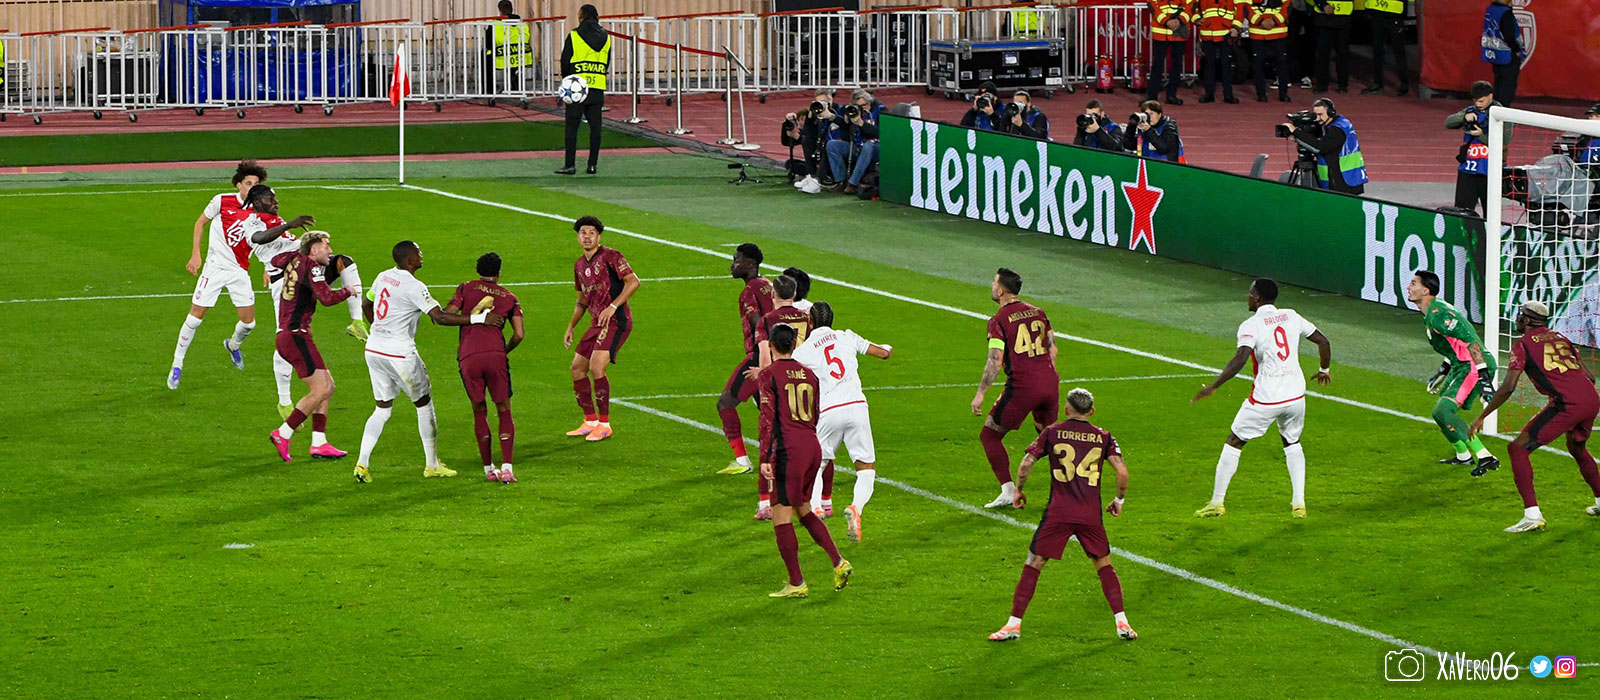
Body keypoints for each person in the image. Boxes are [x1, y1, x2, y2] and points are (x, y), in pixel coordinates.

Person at [987, 388, 1136, 643]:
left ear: (1067, 410)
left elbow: (1025, 464)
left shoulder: (1053, 432)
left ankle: (1013, 625)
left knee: (1034, 562)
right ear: (1092, 411)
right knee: (1103, 564)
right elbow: (1122, 472)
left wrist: (1018, 490)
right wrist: (1119, 500)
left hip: (1059, 512)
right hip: (1089, 513)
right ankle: (1122, 621)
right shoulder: (1103, 436)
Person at [354, 241, 503, 484]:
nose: (421, 255)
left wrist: (380, 329)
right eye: (418, 252)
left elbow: (366, 304)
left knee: (382, 408)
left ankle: (362, 463)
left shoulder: (383, 276)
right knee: (423, 404)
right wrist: (480, 320)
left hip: (374, 349)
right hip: (399, 353)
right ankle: (432, 465)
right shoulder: (414, 286)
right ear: (410, 260)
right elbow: (439, 318)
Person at [1191, 278, 1333, 518]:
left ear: (1257, 298)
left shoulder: (1251, 325)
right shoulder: (1291, 316)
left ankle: (1216, 503)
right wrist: (1324, 370)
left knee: (1234, 441)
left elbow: (1241, 358)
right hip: (1295, 396)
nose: (1248, 297)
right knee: (1292, 442)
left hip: (1267, 398)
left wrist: (1214, 386)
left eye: (1250, 294)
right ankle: (1299, 504)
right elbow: (1323, 341)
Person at [1470, 302, 1600, 532]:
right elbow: (1589, 376)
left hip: (1567, 403)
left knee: (1517, 449)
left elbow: (1509, 387)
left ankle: (1532, 515)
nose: (1517, 319)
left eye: (1520, 316)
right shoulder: (1561, 337)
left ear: (1527, 320)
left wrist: (1482, 416)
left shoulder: (1523, 345)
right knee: (1577, 447)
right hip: (1591, 398)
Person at [792, 302, 893, 543]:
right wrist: (888, 348)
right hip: (857, 407)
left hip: (828, 411)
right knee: (866, 468)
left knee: (817, 465)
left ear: (810, 322)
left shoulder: (802, 352)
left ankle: (817, 508)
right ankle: (856, 508)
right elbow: (883, 353)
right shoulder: (847, 336)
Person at [169, 161, 272, 390]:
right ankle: (177, 365)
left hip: (239, 270)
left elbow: (267, 237)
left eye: (256, 184)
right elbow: (200, 223)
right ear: (238, 185)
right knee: (195, 318)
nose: (252, 187)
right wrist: (196, 254)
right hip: (214, 268)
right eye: (248, 183)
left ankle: (233, 345)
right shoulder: (222, 201)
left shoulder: (261, 207)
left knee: (249, 324)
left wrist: (268, 265)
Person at [972, 268, 1060, 509]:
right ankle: (1068, 492)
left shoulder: (998, 321)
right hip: (1050, 382)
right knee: (1051, 439)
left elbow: (995, 360)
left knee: (989, 435)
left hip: (1023, 387)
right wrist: (1045, 376)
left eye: (994, 282)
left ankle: (1009, 491)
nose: (992, 286)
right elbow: (1053, 350)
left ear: (1001, 290)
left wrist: (980, 394)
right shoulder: (1039, 312)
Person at [267, 231, 354, 462]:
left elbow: (276, 260)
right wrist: (348, 291)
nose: (330, 251)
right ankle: (283, 433)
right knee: (320, 389)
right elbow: (326, 298)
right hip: (295, 336)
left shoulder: (296, 259)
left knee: (328, 386)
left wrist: (297, 253)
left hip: (291, 335)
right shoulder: (312, 267)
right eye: (326, 246)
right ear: (314, 250)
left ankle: (319, 443)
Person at [1408, 270, 1501, 476]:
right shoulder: (1433, 313)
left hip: (1473, 366)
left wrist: (1485, 379)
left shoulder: (1440, 315)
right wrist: (1442, 371)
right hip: (1461, 365)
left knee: (1443, 411)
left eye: (1413, 283)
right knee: (1441, 414)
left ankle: (1485, 456)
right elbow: (1454, 346)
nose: (1409, 287)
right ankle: (1463, 455)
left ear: (1425, 290)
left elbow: (1472, 344)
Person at [447, 253, 526, 483]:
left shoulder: (465, 288)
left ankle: (488, 469)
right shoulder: (510, 298)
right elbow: (519, 334)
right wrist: (504, 350)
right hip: (495, 355)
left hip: (469, 355)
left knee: (479, 409)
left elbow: (447, 314)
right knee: (504, 408)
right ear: (499, 272)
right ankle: (507, 468)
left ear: (478, 270)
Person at [242, 187, 320, 418]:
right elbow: (258, 238)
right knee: (287, 337)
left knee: (343, 262)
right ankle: (284, 401)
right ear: (257, 202)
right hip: (285, 285)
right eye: (270, 198)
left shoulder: (275, 219)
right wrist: (289, 225)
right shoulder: (252, 222)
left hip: (301, 275)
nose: (276, 201)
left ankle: (356, 320)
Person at [741, 275, 814, 520]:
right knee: (811, 437)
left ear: (773, 295)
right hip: (804, 381)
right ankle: (814, 500)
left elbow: (764, 354)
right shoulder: (806, 317)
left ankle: (765, 502)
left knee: (770, 440)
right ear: (794, 294)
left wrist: (763, 378)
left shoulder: (767, 320)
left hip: (779, 381)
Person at [562, 215, 640, 443]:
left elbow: (633, 282)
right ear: (578, 237)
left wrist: (613, 307)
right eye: (583, 233)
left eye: (591, 233)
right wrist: (571, 325)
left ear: (599, 236)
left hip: (616, 321)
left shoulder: (611, 256)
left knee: (597, 367)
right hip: (596, 323)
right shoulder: (579, 265)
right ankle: (590, 421)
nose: (587, 237)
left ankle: (605, 425)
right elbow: (582, 301)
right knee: (577, 368)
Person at [715, 243, 777, 477]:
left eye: (737, 260)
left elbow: (759, 324)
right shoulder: (769, 285)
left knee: (725, 403)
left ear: (750, 264)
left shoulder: (749, 291)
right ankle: (783, 456)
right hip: (780, 352)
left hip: (760, 355)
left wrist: (762, 360)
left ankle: (742, 460)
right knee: (768, 408)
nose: (732, 265)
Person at [557, 4, 609, 175]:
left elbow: (565, 60)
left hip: (576, 88)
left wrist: (566, 81)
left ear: (582, 17)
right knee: (595, 128)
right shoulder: (606, 37)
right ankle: (592, 165)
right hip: (597, 87)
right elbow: (607, 62)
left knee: (572, 127)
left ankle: (570, 165)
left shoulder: (574, 35)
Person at [1284, 98, 1365, 195]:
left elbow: (1320, 148)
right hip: (1348, 176)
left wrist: (1296, 132)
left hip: (1343, 179)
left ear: (1331, 112)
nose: (1317, 119)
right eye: (1316, 115)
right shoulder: (1339, 123)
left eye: (1320, 114)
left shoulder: (1337, 130)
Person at [1444, 81, 1499, 216]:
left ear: (1490, 96)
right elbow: (1448, 123)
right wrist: (1463, 117)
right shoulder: (1471, 110)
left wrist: (1481, 135)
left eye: (1481, 101)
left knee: (1491, 215)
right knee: (1462, 212)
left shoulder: (1501, 114)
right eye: (1475, 101)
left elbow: (1504, 142)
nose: (1478, 105)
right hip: (1468, 168)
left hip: (1490, 171)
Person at [825, 89, 884, 195]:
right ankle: (840, 181)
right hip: (858, 146)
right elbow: (846, 136)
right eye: (858, 106)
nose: (862, 108)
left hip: (876, 148)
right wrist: (847, 121)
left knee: (868, 146)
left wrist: (862, 123)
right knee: (832, 145)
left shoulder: (881, 110)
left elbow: (881, 133)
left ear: (870, 102)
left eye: (864, 105)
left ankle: (852, 183)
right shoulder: (852, 112)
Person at [1191, 0, 1240, 104]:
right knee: (1209, 65)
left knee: (1226, 65)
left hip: (1225, 34)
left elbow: (1239, 10)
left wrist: (1236, 27)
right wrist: (1196, 19)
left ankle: (1228, 94)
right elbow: (1193, 8)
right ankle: (1209, 94)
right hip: (1208, 33)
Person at [1146, 0, 1190, 106]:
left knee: (1177, 65)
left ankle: (1171, 95)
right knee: (1157, 65)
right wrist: (1166, 21)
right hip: (1161, 31)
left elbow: (1191, 5)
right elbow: (1152, 4)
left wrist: (1180, 20)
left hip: (1178, 32)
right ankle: (1152, 97)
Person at [1481, 0, 1524, 108]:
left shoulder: (1491, 8)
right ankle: (1502, 111)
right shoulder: (1505, 13)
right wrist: (1517, 49)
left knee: (1499, 83)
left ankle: (1495, 110)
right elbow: (1509, 36)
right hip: (1507, 55)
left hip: (1495, 54)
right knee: (1507, 86)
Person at [1360, 0, 1408, 95]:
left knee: (1398, 52)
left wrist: (1403, 16)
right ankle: (1377, 83)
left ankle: (1404, 84)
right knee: (1377, 51)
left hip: (1394, 14)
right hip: (1377, 14)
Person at [1247, 0, 1293, 102]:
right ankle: (1261, 94)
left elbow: (1288, 5)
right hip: (1258, 34)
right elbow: (1246, 7)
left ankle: (1283, 93)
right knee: (1258, 65)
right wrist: (1260, 21)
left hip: (1278, 34)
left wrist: (1274, 21)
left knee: (1282, 64)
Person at [485, 0, 529, 97]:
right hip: (519, 56)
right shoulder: (522, 23)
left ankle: (489, 89)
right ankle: (515, 84)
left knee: (485, 57)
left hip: (501, 56)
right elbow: (526, 38)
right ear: (512, 9)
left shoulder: (496, 24)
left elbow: (488, 42)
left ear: (500, 10)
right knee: (513, 63)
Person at [1309, 0, 1353, 94]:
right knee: (1322, 53)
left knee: (1342, 53)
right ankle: (1322, 83)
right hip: (1323, 18)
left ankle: (1343, 84)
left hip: (1343, 18)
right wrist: (1323, 5)